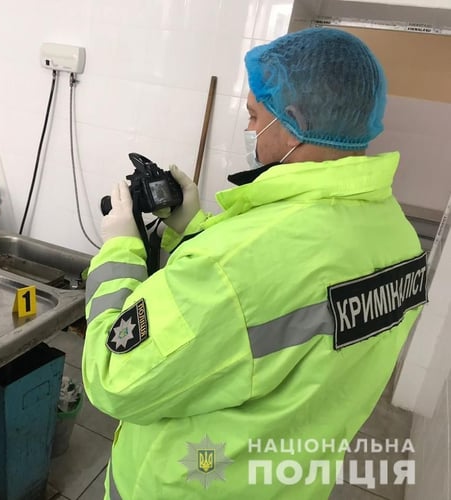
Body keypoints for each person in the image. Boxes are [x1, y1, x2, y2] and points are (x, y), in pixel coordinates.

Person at [82, 27, 427, 499]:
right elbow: (263, 315)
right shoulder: (399, 238)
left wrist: (120, 250)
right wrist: (192, 229)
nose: (248, 129)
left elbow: (113, 378)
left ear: (293, 121)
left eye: (253, 115)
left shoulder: (232, 266)